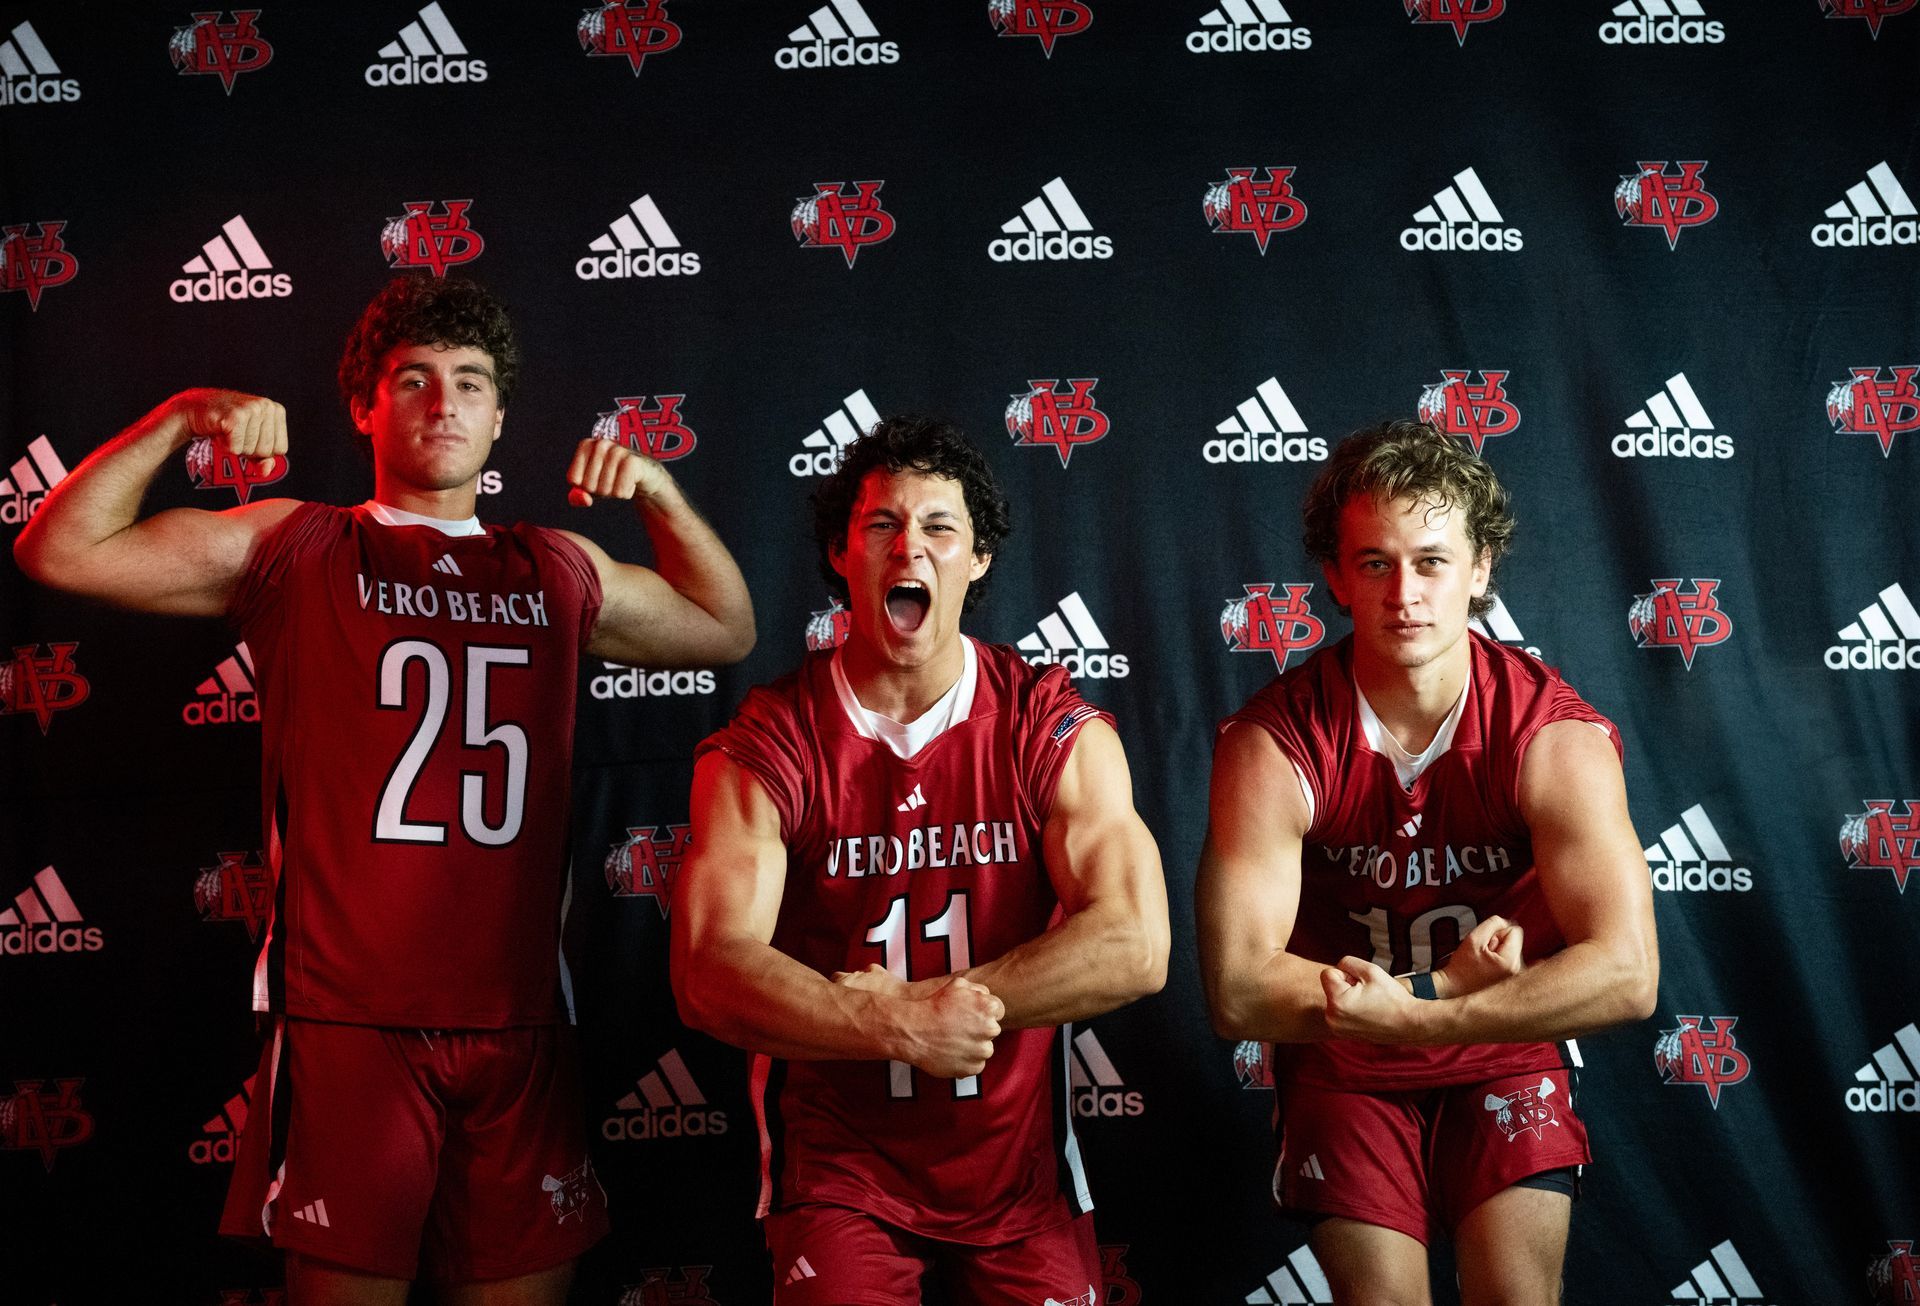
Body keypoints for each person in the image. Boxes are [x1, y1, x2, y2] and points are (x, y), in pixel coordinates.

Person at [13, 274, 755, 1304]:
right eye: (413, 379)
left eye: (470, 382)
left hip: (519, 1016)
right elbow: (58, 549)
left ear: (500, 418)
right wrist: (178, 419)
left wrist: (662, 496)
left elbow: (725, 628)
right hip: (347, 1016)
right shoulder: (297, 544)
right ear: (364, 406)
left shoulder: (554, 567)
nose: (444, 402)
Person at [670, 416, 1168, 1306]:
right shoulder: (773, 738)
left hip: (1018, 1174)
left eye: (940, 526)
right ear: (841, 553)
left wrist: (937, 1008)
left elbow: (1136, 943)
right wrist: (893, 1025)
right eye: (881, 525)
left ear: (978, 558)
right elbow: (708, 970)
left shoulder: (1044, 722)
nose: (911, 548)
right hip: (841, 1169)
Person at [1196, 420, 1658, 1306]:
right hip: (1345, 1058)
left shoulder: (1551, 736)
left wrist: (1428, 1013)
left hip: (1502, 1045)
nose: (1404, 594)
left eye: (1432, 562)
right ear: (1336, 578)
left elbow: (1628, 974)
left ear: (1480, 568)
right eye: (1375, 563)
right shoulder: (1274, 743)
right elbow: (1238, 991)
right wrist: (1436, 995)